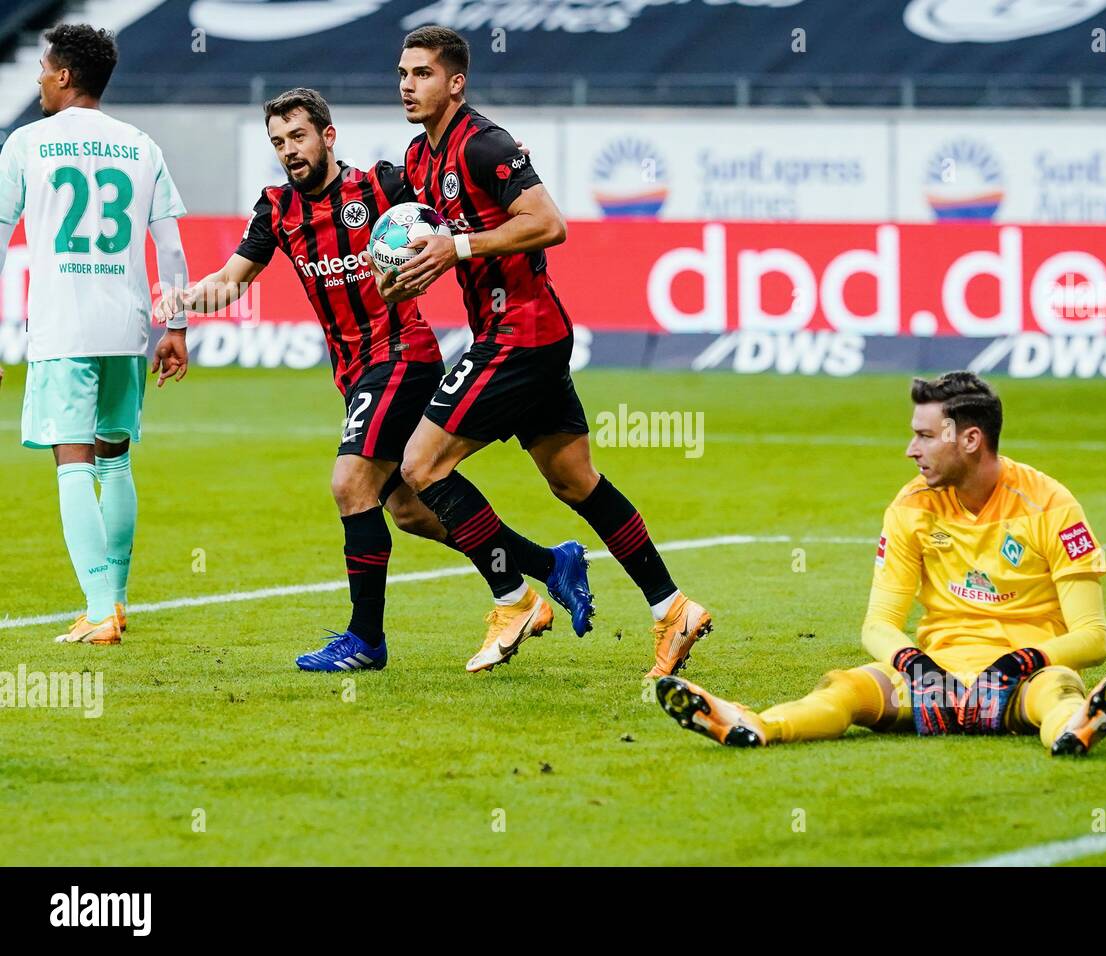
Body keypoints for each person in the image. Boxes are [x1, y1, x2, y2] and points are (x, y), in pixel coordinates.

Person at [154, 88, 592, 672]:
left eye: (299, 137)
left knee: (349, 483)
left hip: (402, 356)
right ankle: (548, 564)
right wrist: (181, 301)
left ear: (328, 136)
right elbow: (233, 280)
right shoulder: (278, 209)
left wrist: (508, 165)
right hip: (355, 372)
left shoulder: (382, 187)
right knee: (410, 511)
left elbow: (457, 190)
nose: (290, 150)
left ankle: (367, 640)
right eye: (279, 142)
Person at [379, 25, 712, 677]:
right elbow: (437, 236)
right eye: (401, 74)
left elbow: (548, 223)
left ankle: (514, 599)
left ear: (456, 82)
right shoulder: (421, 160)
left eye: (421, 74)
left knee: (420, 467)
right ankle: (674, 609)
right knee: (574, 480)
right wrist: (410, 267)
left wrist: (459, 248)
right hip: (517, 336)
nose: (407, 86)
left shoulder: (487, 145)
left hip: (520, 336)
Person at [656, 372, 1106, 757]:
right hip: (936, 678)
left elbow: (1093, 638)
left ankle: (1073, 729)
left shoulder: (1051, 505)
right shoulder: (911, 506)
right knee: (844, 689)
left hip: (1025, 676)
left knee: (1055, 692)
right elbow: (879, 624)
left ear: (970, 440)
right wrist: (916, 665)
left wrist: (1022, 661)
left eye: (925, 436)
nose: (911, 450)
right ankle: (754, 725)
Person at [0, 24, 191, 645]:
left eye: (43, 67)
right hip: (127, 326)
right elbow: (170, 247)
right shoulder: (141, 145)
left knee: (72, 461)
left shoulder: (26, 143)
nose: (36, 78)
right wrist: (177, 326)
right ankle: (116, 603)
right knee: (115, 458)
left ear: (62, 75)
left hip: (63, 328)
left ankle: (100, 610)